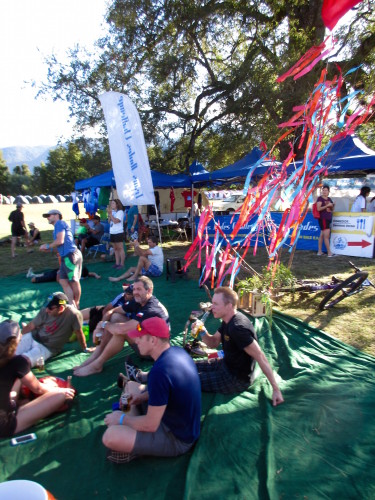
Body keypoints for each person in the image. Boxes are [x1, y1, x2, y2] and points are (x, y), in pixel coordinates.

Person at [102, 317, 201, 464]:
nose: (136, 341)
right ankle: (127, 421)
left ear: (153, 340)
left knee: (109, 436)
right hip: (179, 421)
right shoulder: (176, 352)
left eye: (140, 338)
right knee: (131, 387)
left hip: (177, 438)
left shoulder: (159, 372)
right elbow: (170, 389)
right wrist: (142, 398)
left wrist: (121, 419)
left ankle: (129, 434)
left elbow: (150, 425)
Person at [193, 287, 284, 405]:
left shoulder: (238, 328)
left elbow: (260, 356)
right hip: (225, 364)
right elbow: (214, 342)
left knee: (188, 379)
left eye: (215, 304)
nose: (211, 307)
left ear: (229, 305)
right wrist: (202, 331)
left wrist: (276, 389)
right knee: (189, 366)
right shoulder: (227, 319)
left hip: (236, 379)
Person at [74, 276, 169, 377]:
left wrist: (103, 324)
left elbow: (121, 329)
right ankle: (94, 357)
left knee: (121, 332)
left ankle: (97, 364)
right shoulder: (139, 301)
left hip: (153, 352)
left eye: (139, 289)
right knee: (115, 317)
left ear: (149, 290)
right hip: (145, 341)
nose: (135, 292)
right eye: (134, 289)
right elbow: (112, 311)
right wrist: (100, 327)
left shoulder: (151, 309)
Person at [0, 320, 75, 438]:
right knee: (61, 396)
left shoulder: (15, 364)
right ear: (18, 340)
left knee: (19, 380)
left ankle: (20, 403)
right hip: (5, 424)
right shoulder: (18, 362)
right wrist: (59, 391)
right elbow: (38, 389)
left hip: (7, 404)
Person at [16, 292, 87, 367]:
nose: (47, 310)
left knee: (22, 362)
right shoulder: (45, 310)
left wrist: (85, 348)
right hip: (33, 336)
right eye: (46, 306)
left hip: (47, 348)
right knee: (9, 353)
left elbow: (79, 332)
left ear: (61, 308)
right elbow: (31, 326)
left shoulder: (74, 315)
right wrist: (20, 336)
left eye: (50, 308)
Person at [40, 209, 83, 308]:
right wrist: (50, 250)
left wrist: (47, 246)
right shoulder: (56, 227)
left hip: (71, 256)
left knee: (73, 280)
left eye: (49, 215)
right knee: (63, 280)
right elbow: (61, 245)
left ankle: (76, 304)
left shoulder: (59, 223)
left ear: (56, 215)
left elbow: (60, 241)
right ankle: (72, 303)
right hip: (66, 256)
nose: (47, 218)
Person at [26, 265, 101, 284]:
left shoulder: (80, 276)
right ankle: (32, 275)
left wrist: (96, 275)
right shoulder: (77, 274)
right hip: (59, 273)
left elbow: (91, 273)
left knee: (44, 276)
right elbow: (92, 273)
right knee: (45, 274)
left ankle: (33, 276)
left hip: (58, 274)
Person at [316, 184, 335, 257]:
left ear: (328, 191)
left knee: (322, 235)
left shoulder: (329, 199)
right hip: (323, 218)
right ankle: (329, 252)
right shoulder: (320, 199)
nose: (324, 192)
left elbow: (332, 209)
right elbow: (318, 209)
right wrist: (327, 205)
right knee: (326, 236)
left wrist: (332, 205)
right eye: (323, 190)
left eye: (326, 190)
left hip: (328, 217)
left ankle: (319, 251)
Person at [108, 199, 126, 269]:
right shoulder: (112, 212)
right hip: (112, 231)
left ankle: (122, 264)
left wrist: (110, 215)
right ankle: (117, 263)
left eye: (113, 203)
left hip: (118, 232)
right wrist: (110, 215)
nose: (111, 205)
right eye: (111, 203)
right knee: (115, 248)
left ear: (117, 204)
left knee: (120, 248)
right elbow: (109, 221)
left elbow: (116, 221)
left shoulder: (120, 212)